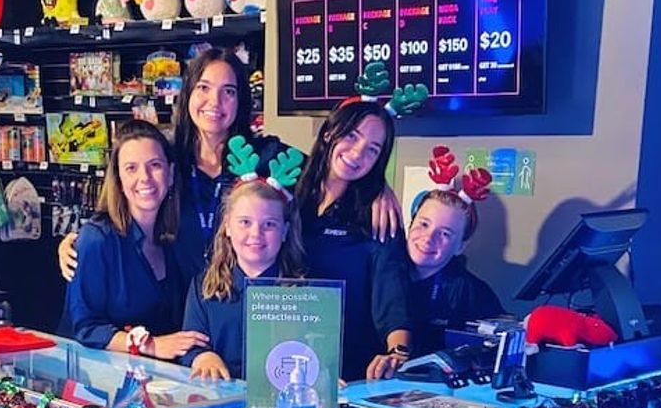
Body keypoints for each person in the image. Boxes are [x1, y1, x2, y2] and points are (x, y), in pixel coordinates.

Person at [57, 48, 404, 283]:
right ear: (188, 94)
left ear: (241, 101)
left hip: (245, 309)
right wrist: (82, 239)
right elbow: (126, 195)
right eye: (204, 88)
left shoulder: (267, 156)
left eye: (229, 92)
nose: (214, 102)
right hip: (177, 312)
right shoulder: (167, 158)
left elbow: (332, 168)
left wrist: (378, 188)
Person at [62, 120, 208, 358]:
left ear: (170, 175)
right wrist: (151, 345)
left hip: (158, 381)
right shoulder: (97, 240)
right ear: (118, 180)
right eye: (131, 168)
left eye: (155, 165)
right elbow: (86, 327)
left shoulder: (175, 238)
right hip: (98, 382)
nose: (145, 177)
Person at [294, 100, 412, 381]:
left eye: (373, 150)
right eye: (351, 136)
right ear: (329, 133)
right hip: (282, 358)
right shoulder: (288, 190)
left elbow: (393, 299)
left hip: (349, 372)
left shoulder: (379, 216)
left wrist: (398, 354)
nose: (358, 154)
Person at [180, 160, 307, 381]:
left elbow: (316, 353)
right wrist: (204, 356)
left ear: (285, 231)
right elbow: (192, 345)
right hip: (221, 403)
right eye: (245, 222)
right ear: (227, 226)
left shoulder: (306, 293)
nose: (256, 234)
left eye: (269, 224)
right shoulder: (204, 287)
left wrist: (322, 373)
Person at [405, 178, 504, 357]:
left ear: (460, 246)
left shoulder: (473, 293)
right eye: (424, 224)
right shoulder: (380, 271)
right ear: (410, 224)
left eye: (445, 233)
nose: (428, 238)